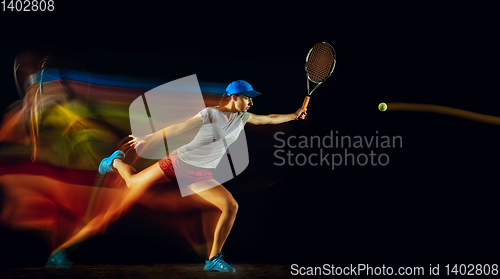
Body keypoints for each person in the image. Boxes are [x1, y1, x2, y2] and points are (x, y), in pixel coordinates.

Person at [47, 80, 307, 272]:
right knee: (132, 183)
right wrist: (148, 138)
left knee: (230, 206)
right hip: (178, 164)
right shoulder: (210, 114)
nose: (251, 102)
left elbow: (270, 119)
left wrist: (294, 115)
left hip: (200, 174)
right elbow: (177, 128)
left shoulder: (243, 118)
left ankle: (213, 259)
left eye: (251, 99)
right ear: (233, 97)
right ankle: (114, 161)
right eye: (247, 98)